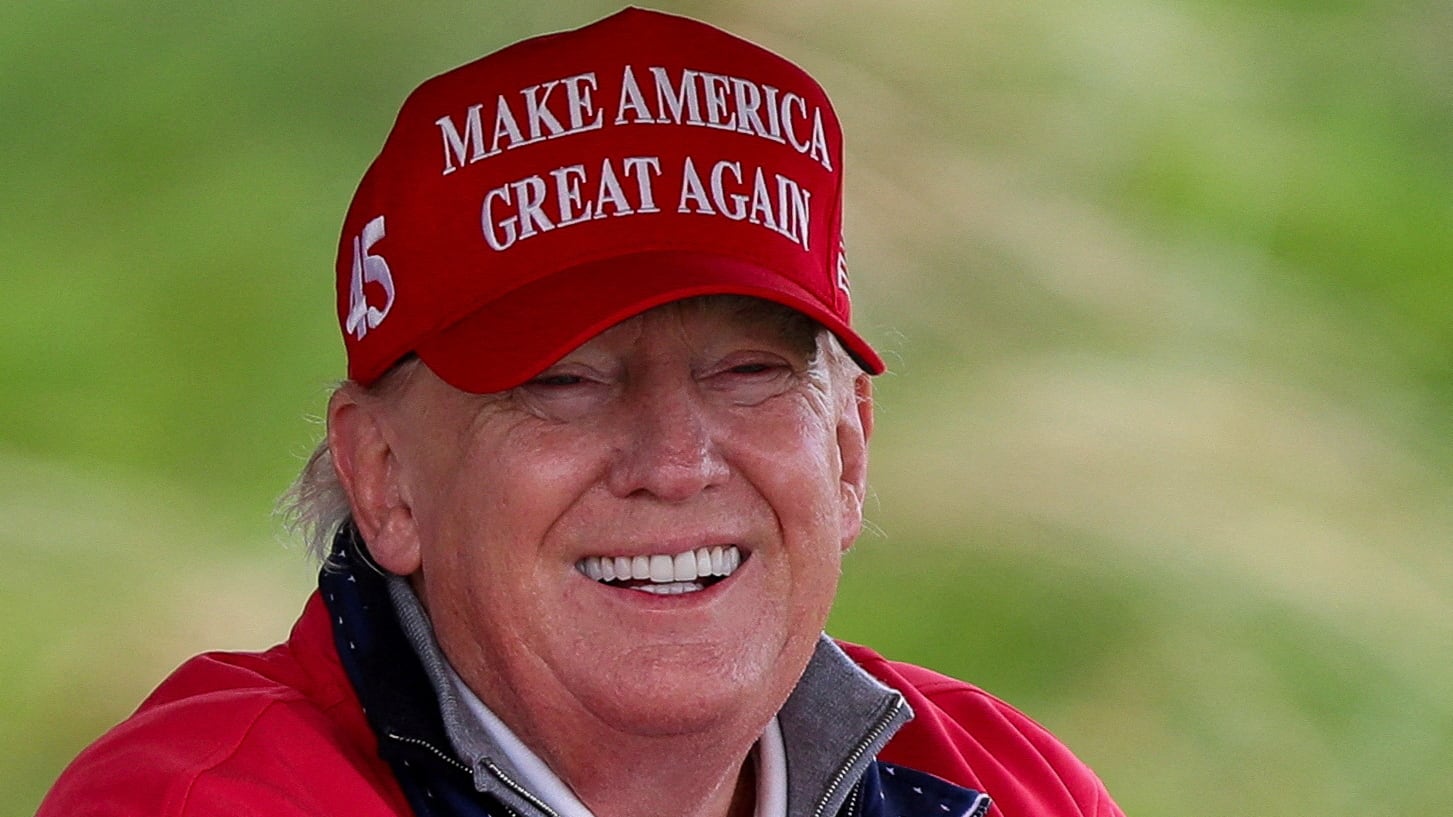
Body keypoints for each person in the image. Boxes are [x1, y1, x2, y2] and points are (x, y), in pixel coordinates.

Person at [39, 9, 1124, 817]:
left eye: (748, 370)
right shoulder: (203, 801)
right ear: (383, 478)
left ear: (846, 451)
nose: (675, 459)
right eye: (560, 381)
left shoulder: (1002, 784)